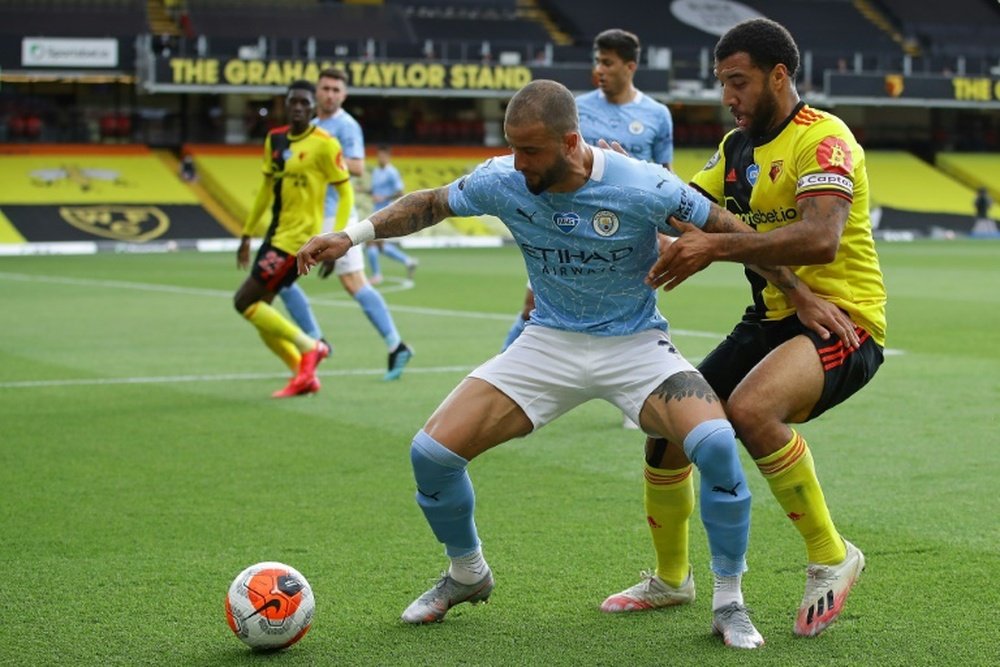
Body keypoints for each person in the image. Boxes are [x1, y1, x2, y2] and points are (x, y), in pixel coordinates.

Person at [299, 79, 854, 650]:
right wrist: (352, 234)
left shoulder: (643, 184)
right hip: (547, 344)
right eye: (512, 147)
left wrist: (800, 294)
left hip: (635, 345)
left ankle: (728, 600)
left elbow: (725, 227)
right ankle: (467, 573)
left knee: (714, 444)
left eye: (531, 150)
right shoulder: (503, 179)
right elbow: (432, 203)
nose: (519, 162)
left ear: (570, 142)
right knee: (432, 456)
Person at [600, 18, 886, 640]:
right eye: (721, 83)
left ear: (778, 76)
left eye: (738, 82)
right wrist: (628, 178)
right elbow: (684, 211)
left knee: (751, 410)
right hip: (776, 317)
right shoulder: (735, 150)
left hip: (844, 321)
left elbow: (821, 236)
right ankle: (672, 579)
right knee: (671, 423)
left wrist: (716, 250)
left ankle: (832, 556)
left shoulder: (824, 137)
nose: (727, 96)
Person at [500, 29, 673, 364]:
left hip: (629, 230)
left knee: (636, 305)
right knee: (532, 305)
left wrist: (663, 230)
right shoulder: (577, 108)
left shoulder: (657, 115)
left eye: (608, 63)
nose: (600, 70)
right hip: (570, 226)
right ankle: (501, 368)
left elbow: (662, 176)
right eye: (597, 62)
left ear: (630, 66)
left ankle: (648, 379)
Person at [278, 68, 413, 381]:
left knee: (353, 282)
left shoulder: (346, 126)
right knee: (283, 278)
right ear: (317, 90)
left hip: (336, 214)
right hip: (309, 213)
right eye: (325, 88)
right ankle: (318, 341)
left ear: (344, 95)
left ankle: (394, 345)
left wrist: (322, 155)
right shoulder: (310, 125)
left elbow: (356, 166)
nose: (329, 94)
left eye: (336, 90)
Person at [235, 79, 352, 398]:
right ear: (286, 106)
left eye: (304, 103)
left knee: (243, 302)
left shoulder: (325, 143)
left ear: (312, 108)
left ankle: (310, 348)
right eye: (293, 102)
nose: (298, 108)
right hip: (275, 235)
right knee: (261, 311)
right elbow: (264, 190)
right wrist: (247, 232)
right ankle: (304, 374)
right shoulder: (275, 140)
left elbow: (345, 192)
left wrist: (338, 239)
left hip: (297, 242)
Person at [366, 144, 418, 285]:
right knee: (380, 246)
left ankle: (377, 275)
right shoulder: (376, 171)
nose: (380, 158)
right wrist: (366, 191)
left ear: (388, 157)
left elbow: (399, 192)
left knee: (371, 243)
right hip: (376, 211)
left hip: (387, 212)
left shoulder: (392, 172)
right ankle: (408, 261)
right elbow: (376, 191)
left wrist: (384, 198)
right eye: (378, 155)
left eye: (383, 156)